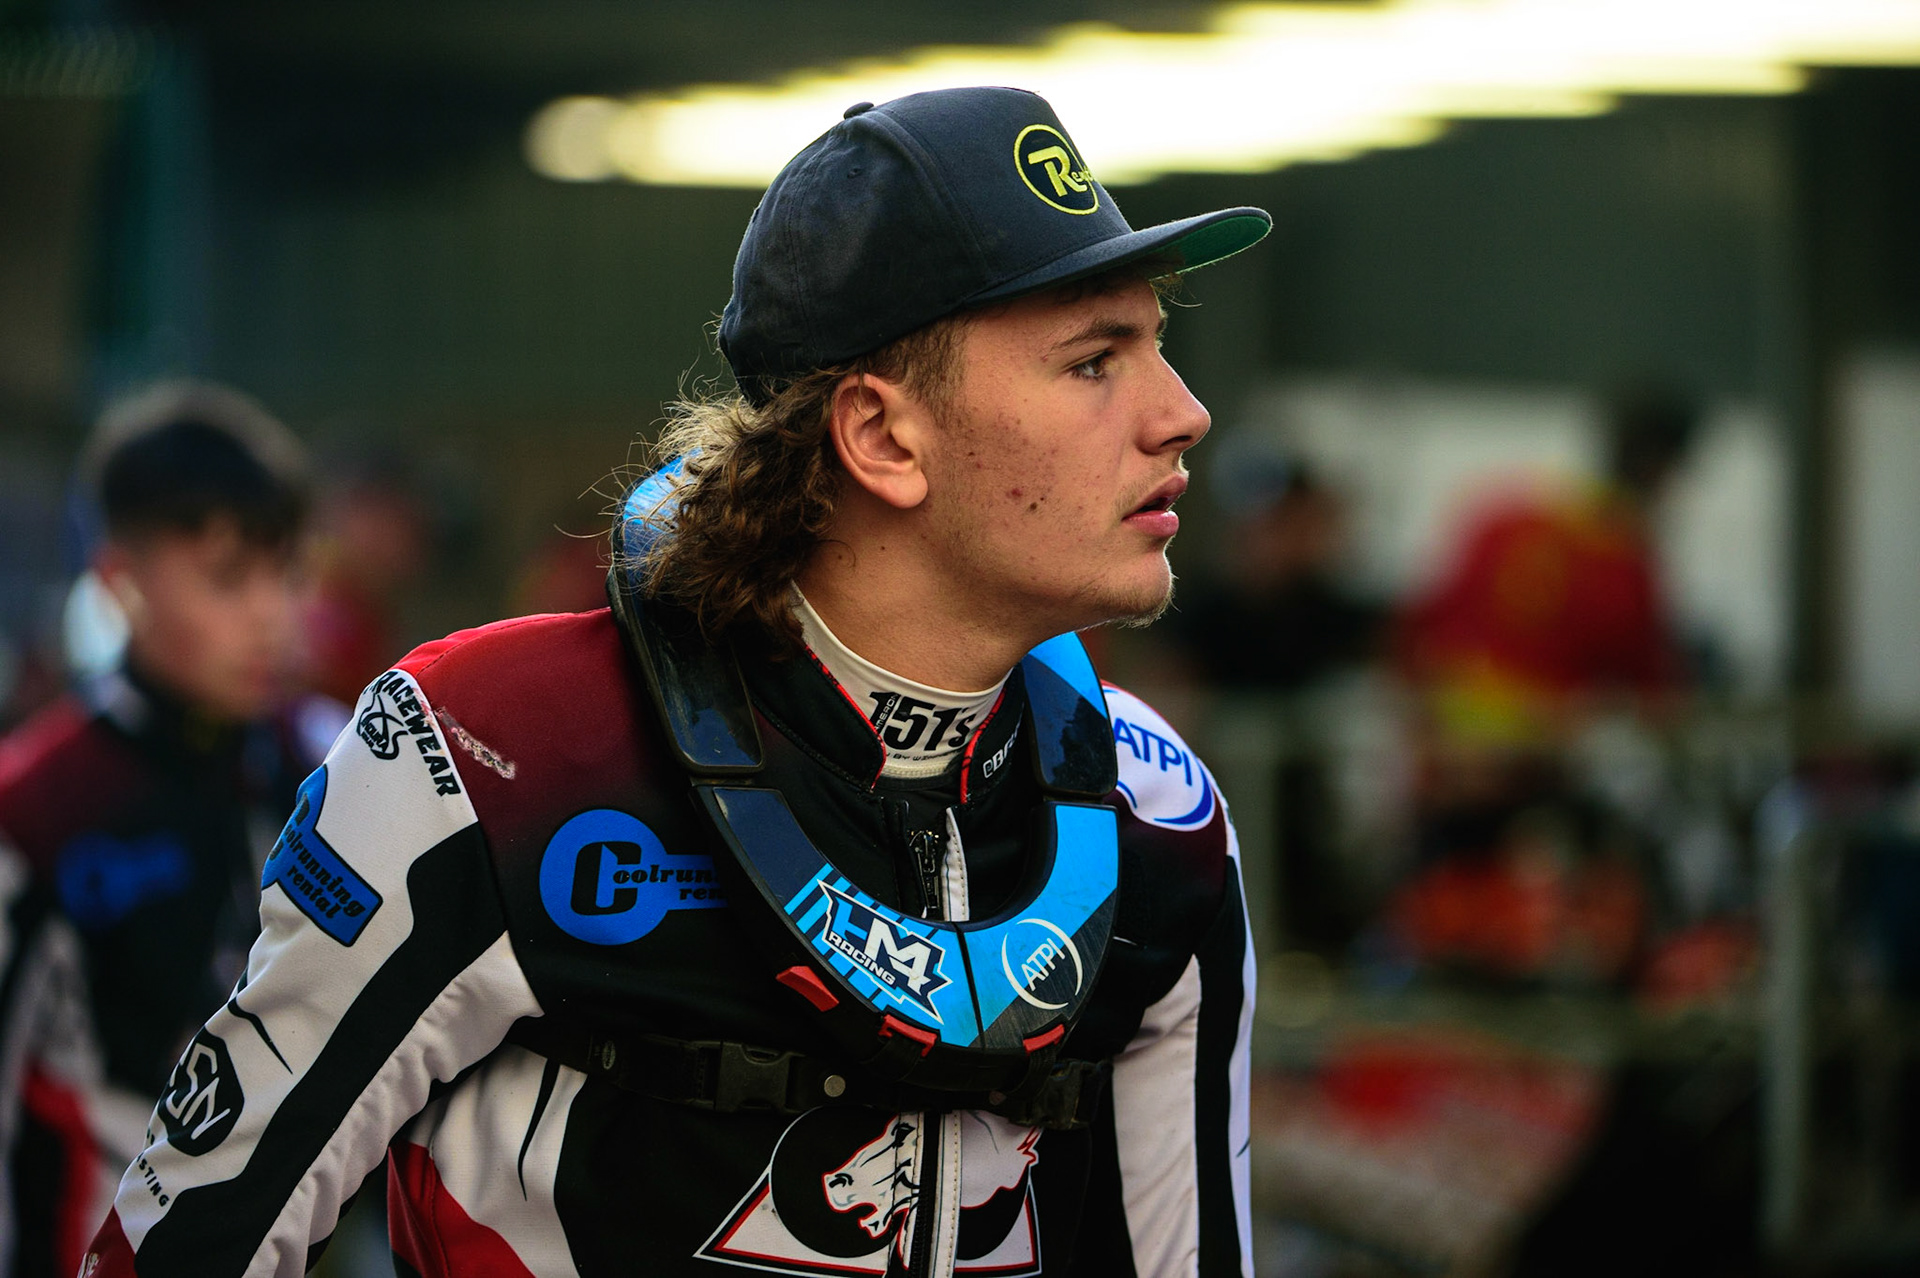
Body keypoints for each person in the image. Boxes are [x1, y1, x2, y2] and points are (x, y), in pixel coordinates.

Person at [83, 88, 1269, 1277]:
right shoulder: (490, 756)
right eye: (1094, 361)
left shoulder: (1161, 823)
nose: (1184, 412)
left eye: (1157, 344)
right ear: (883, 438)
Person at [0, 383, 330, 1275]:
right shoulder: (34, 809)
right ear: (120, 582)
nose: (271, 614)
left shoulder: (332, 765)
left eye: (286, 572)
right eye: (228, 578)